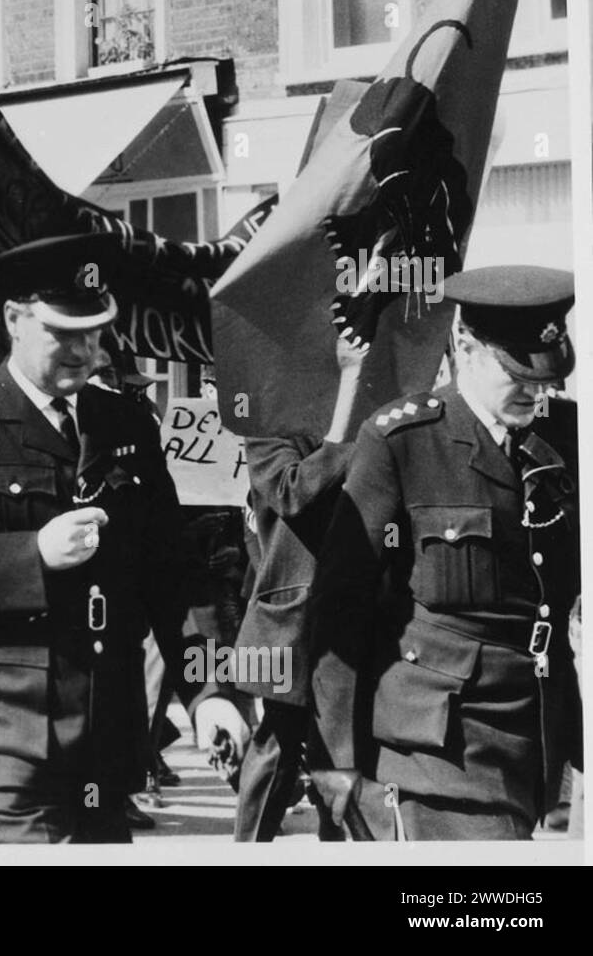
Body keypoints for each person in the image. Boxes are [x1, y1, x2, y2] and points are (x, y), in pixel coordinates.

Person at [0, 233, 187, 843]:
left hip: (105, 730)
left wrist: (210, 691)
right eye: (64, 332)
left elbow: (171, 571)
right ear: (16, 321)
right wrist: (33, 557)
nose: (86, 351)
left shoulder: (125, 423)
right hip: (2, 732)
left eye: (96, 332)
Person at [310, 266, 582, 841]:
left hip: (533, 738)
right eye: (519, 375)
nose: (538, 392)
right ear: (464, 346)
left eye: (548, 376)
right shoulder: (402, 441)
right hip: (439, 750)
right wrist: (336, 757)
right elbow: (341, 607)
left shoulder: (566, 437)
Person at [231, 333, 366, 842]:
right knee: (276, 751)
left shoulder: (369, 416)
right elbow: (294, 494)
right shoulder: (268, 427)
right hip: (288, 617)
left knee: (343, 755)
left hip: (352, 612)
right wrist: (351, 402)